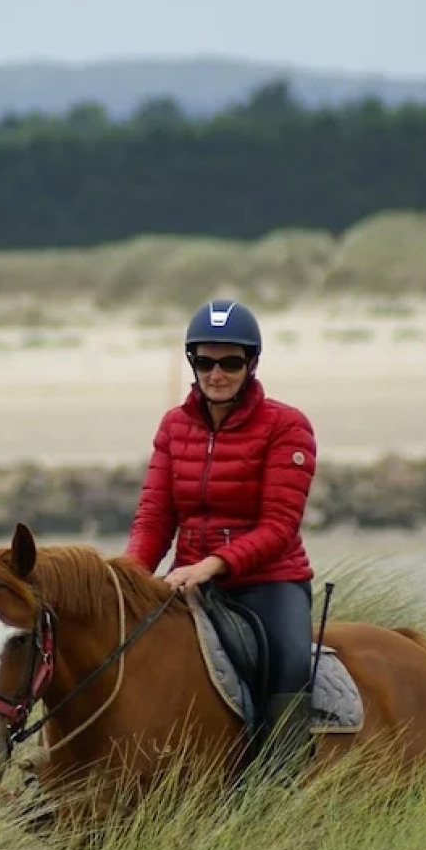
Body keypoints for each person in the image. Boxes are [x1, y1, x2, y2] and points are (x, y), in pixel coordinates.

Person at [125, 297, 319, 774]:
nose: (217, 373)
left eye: (230, 362)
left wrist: (210, 566)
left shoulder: (286, 426)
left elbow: (279, 528)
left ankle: (283, 773)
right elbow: (154, 518)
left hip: (269, 581)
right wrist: (126, 580)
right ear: (192, 362)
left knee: (292, 660)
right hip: (187, 580)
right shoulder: (173, 425)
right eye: (205, 361)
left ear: (251, 364)